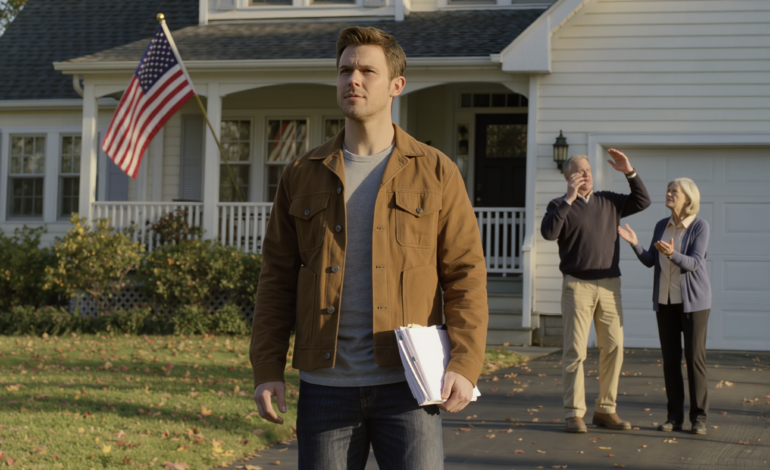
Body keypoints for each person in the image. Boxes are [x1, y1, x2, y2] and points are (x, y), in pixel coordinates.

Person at [249, 26, 489, 469]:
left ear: (397, 85)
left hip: (410, 387)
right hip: (325, 390)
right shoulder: (302, 173)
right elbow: (277, 278)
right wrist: (267, 368)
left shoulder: (436, 172)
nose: (352, 80)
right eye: (344, 70)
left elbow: (465, 274)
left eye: (366, 71)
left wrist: (466, 361)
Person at [541, 150, 651, 433]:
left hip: (610, 285)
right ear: (568, 177)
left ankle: (606, 410)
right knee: (575, 351)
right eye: (578, 171)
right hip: (577, 285)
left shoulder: (609, 201)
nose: (585, 175)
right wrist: (569, 198)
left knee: (614, 348)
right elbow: (549, 233)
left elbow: (643, 201)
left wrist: (629, 171)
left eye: (588, 170)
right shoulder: (559, 205)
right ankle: (574, 413)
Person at [618, 178, 711, 435]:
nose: (668, 194)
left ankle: (699, 419)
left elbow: (693, 263)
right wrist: (635, 244)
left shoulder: (700, 226)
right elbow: (651, 260)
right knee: (670, 361)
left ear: (688, 199)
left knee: (694, 360)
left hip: (694, 304)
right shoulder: (662, 225)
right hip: (666, 301)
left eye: (674, 191)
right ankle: (674, 418)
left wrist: (672, 254)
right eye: (668, 190)